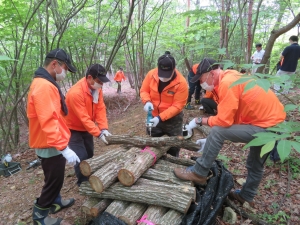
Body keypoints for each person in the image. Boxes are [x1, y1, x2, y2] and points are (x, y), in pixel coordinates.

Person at [174, 58, 286, 207]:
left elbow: (224, 122)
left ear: (211, 73)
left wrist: (200, 121)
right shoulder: (229, 78)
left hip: (267, 125)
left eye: (201, 79)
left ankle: (199, 172)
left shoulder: (227, 83)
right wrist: (210, 142)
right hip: (273, 124)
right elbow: (232, 117)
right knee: (254, 164)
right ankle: (247, 195)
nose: (201, 83)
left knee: (219, 132)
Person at [27, 48, 80, 224]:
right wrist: (63, 147)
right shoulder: (44, 86)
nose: (65, 72)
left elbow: (55, 116)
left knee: (54, 177)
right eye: (65, 68)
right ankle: (40, 215)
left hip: (50, 140)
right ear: (54, 64)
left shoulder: (44, 82)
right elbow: (48, 120)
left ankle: (56, 202)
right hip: (49, 143)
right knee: (53, 180)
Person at [65, 64, 112, 186]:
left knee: (90, 153)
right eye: (99, 81)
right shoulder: (76, 93)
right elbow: (83, 118)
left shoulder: (97, 89)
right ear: (89, 77)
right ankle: (83, 183)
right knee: (81, 156)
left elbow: (100, 109)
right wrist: (98, 134)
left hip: (87, 127)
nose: (101, 84)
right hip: (73, 128)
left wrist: (104, 128)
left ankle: (89, 176)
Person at [140, 51, 188, 157]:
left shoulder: (181, 82)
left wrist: (160, 118)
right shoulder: (151, 75)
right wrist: (147, 101)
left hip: (173, 119)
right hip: (154, 115)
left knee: (174, 144)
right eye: (162, 74)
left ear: (174, 68)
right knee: (153, 142)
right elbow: (144, 90)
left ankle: (173, 160)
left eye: (167, 75)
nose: (164, 78)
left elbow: (178, 105)